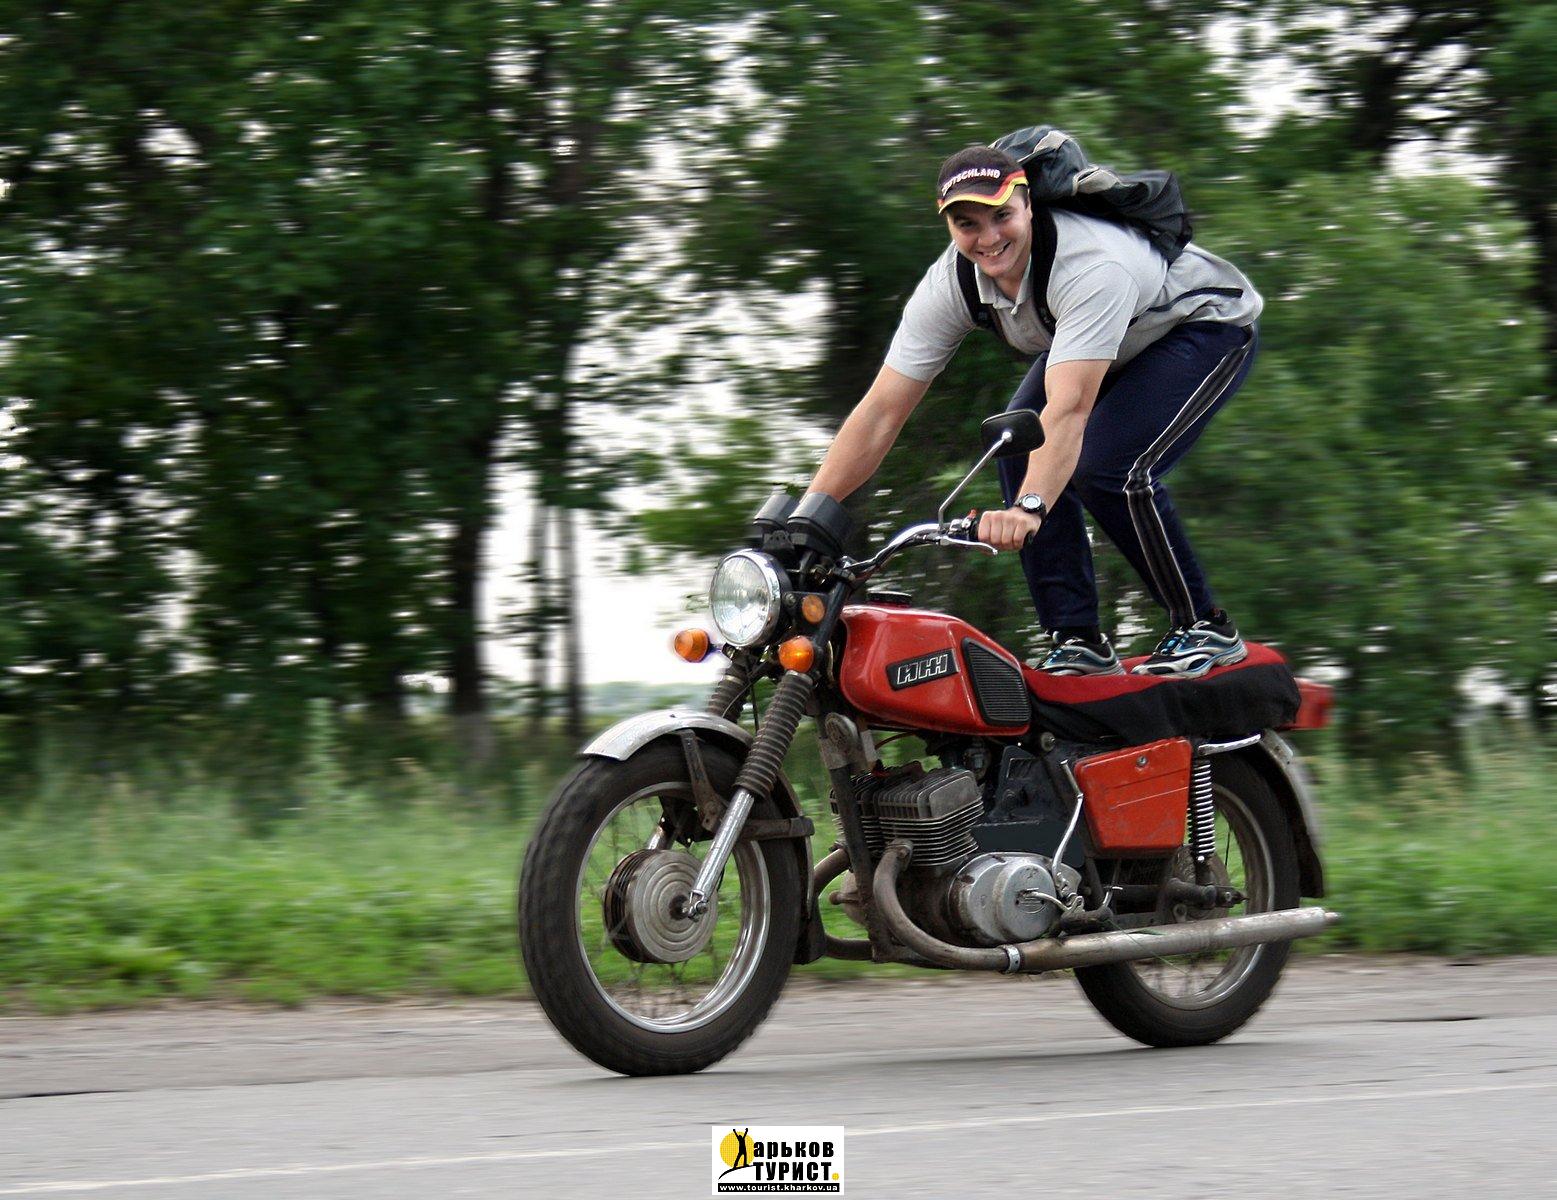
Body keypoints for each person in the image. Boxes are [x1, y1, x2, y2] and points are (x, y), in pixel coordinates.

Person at [804, 142, 1263, 678]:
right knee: (1017, 447)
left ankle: (1204, 626)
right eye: (968, 224)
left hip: (1199, 324)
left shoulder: (1089, 265)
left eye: (1002, 215)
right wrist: (807, 520)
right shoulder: (951, 283)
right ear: (948, 225)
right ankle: (1079, 642)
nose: (988, 238)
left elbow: (1068, 411)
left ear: (1028, 204)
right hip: (1107, 340)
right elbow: (882, 411)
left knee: (1108, 467)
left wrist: (1029, 509)